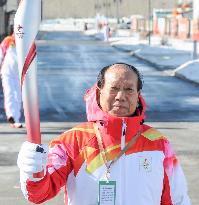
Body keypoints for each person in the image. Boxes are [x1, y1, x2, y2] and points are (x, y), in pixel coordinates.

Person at [17, 63, 191, 205]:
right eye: (114, 88)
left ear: (138, 95)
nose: (121, 96)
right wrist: (32, 170)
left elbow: (177, 199)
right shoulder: (72, 141)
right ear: (99, 93)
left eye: (129, 89)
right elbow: (38, 194)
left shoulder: (159, 144)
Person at [0, 33, 22, 128]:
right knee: (9, 93)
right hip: (7, 73)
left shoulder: (26, 41)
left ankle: (16, 119)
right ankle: (11, 116)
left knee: (18, 96)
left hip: (20, 75)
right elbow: (0, 55)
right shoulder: (7, 41)